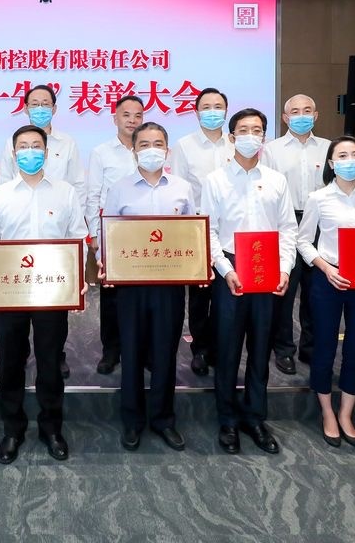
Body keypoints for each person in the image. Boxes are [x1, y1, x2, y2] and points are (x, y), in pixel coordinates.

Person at [0, 124, 88, 464]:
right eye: (23, 146)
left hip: (53, 291)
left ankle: (52, 428)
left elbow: (78, 238)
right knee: (10, 361)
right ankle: (13, 429)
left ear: (47, 152)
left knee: (50, 361)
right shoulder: (0, 195)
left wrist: (78, 279)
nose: (30, 151)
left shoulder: (65, 192)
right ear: (13, 153)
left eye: (36, 145)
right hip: (9, 292)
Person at [203, 108, 295, 455]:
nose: (250, 136)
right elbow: (208, 230)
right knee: (227, 349)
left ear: (264, 138)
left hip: (268, 268)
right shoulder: (215, 180)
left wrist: (285, 269)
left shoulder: (277, 180)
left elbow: (287, 229)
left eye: (257, 130)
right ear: (231, 138)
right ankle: (227, 419)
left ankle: (255, 417)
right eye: (243, 130)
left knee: (260, 348)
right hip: (231, 268)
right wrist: (225, 269)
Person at [101, 122, 194, 452]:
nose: (151, 149)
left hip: (169, 285)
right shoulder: (120, 188)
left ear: (167, 150)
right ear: (134, 150)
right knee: (131, 351)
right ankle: (132, 419)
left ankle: (163, 419)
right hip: (131, 285)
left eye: (157, 144)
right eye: (144, 144)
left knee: (165, 352)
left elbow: (192, 233)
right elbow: (108, 232)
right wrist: (104, 263)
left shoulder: (182, 188)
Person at [297, 136, 355, 448]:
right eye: (342, 155)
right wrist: (326, 268)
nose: (350, 160)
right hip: (329, 278)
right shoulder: (318, 198)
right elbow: (303, 241)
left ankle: (346, 413)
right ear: (331, 163)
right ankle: (327, 411)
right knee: (324, 345)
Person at [0, 84, 86, 379]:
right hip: (16, 249)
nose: (39, 108)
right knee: (14, 328)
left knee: (52, 326)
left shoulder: (68, 143)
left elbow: (78, 185)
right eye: (34, 103)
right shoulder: (11, 145)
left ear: (54, 108)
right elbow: (4, 185)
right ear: (25, 108)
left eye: (45, 103)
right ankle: (20, 355)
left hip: (55, 245)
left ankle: (55, 356)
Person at [262, 93, 331, 375]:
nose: (301, 116)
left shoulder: (329, 148)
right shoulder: (271, 150)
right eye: (295, 111)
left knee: (316, 291)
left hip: (320, 223)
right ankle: (283, 350)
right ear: (285, 117)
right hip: (285, 222)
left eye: (307, 110)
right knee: (285, 289)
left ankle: (310, 348)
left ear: (316, 115)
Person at [167, 87, 234, 377]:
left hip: (232, 230)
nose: (212, 112)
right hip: (197, 228)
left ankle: (222, 347)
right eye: (206, 107)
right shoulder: (184, 146)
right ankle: (200, 349)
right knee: (200, 294)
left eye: (218, 106)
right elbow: (178, 190)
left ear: (226, 110)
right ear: (196, 112)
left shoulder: (237, 143)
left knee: (227, 291)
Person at [86, 95, 145, 375]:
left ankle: (143, 350)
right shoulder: (102, 152)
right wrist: (93, 234)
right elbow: (93, 194)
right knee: (111, 295)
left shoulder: (149, 148)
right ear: (115, 118)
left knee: (143, 294)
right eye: (126, 115)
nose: (132, 120)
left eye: (138, 115)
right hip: (112, 232)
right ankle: (111, 350)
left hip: (145, 233)